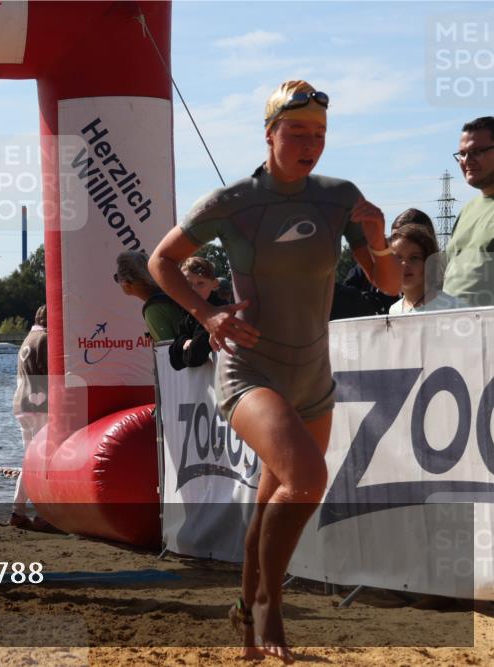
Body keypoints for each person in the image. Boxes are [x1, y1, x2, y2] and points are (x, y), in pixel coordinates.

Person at [148, 80, 399, 662]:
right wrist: (206, 313)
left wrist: (377, 238)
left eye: (320, 134)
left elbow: (388, 286)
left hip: (314, 377)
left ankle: (244, 609)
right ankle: (269, 608)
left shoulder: (341, 196)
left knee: (274, 500)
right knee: (307, 480)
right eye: (297, 132)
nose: (310, 143)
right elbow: (161, 260)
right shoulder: (234, 201)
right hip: (248, 368)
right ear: (269, 135)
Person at [444, 116, 494, 307]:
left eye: (476, 152)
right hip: (454, 328)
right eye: (462, 154)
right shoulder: (467, 211)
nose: (467, 160)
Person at [10, 305, 52, 530]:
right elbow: (52, 374)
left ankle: (18, 511)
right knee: (42, 461)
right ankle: (44, 515)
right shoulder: (45, 339)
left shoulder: (29, 337)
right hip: (39, 405)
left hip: (21, 404)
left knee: (30, 460)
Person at [389, 224, 465, 314]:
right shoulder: (394, 310)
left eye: (414, 258)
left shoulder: (454, 307)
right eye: (398, 258)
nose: (404, 264)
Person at [169, 257, 225, 370]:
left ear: (214, 284)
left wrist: (186, 347)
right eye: (188, 284)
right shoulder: (188, 311)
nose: (194, 289)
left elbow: (194, 358)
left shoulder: (218, 311)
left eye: (200, 283)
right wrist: (184, 342)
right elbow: (174, 361)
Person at [114, 250, 182, 342]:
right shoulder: (170, 292)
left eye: (117, 277)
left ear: (127, 282)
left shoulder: (153, 308)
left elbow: (167, 352)